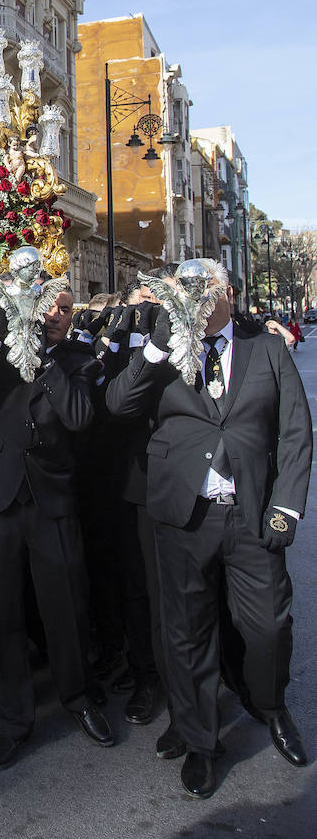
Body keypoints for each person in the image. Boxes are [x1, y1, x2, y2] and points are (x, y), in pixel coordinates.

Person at [106, 268, 312, 799]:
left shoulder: (266, 349)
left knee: (269, 625)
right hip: (184, 515)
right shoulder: (164, 352)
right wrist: (157, 346)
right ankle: (200, 740)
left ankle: (270, 706)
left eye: (206, 292)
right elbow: (118, 404)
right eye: (187, 292)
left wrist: (285, 507)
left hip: (251, 513)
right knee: (187, 632)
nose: (196, 302)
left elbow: (295, 430)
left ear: (228, 295)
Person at [0, 286, 114, 768]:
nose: (55, 315)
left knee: (65, 604)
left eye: (64, 309)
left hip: (51, 497)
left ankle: (78, 698)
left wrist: (46, 362)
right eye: (47, 307)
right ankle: (12, 717)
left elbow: (79, 417)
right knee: (0, 609)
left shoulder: (78, 360)